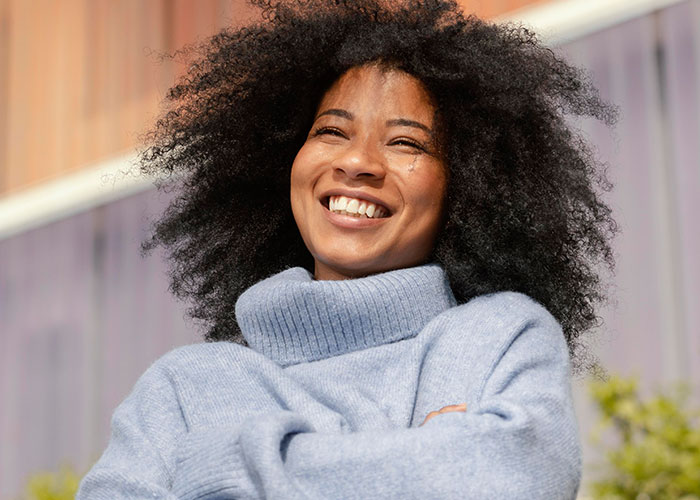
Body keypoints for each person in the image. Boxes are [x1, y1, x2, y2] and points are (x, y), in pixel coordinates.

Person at [77, 0, 617, 498]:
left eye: (406, 142)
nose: (358, 162)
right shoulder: (182, 386)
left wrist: (225, 464)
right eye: (332, 131)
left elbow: (510, 479)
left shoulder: (500, 337)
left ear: (470, 185)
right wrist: (424, 457)